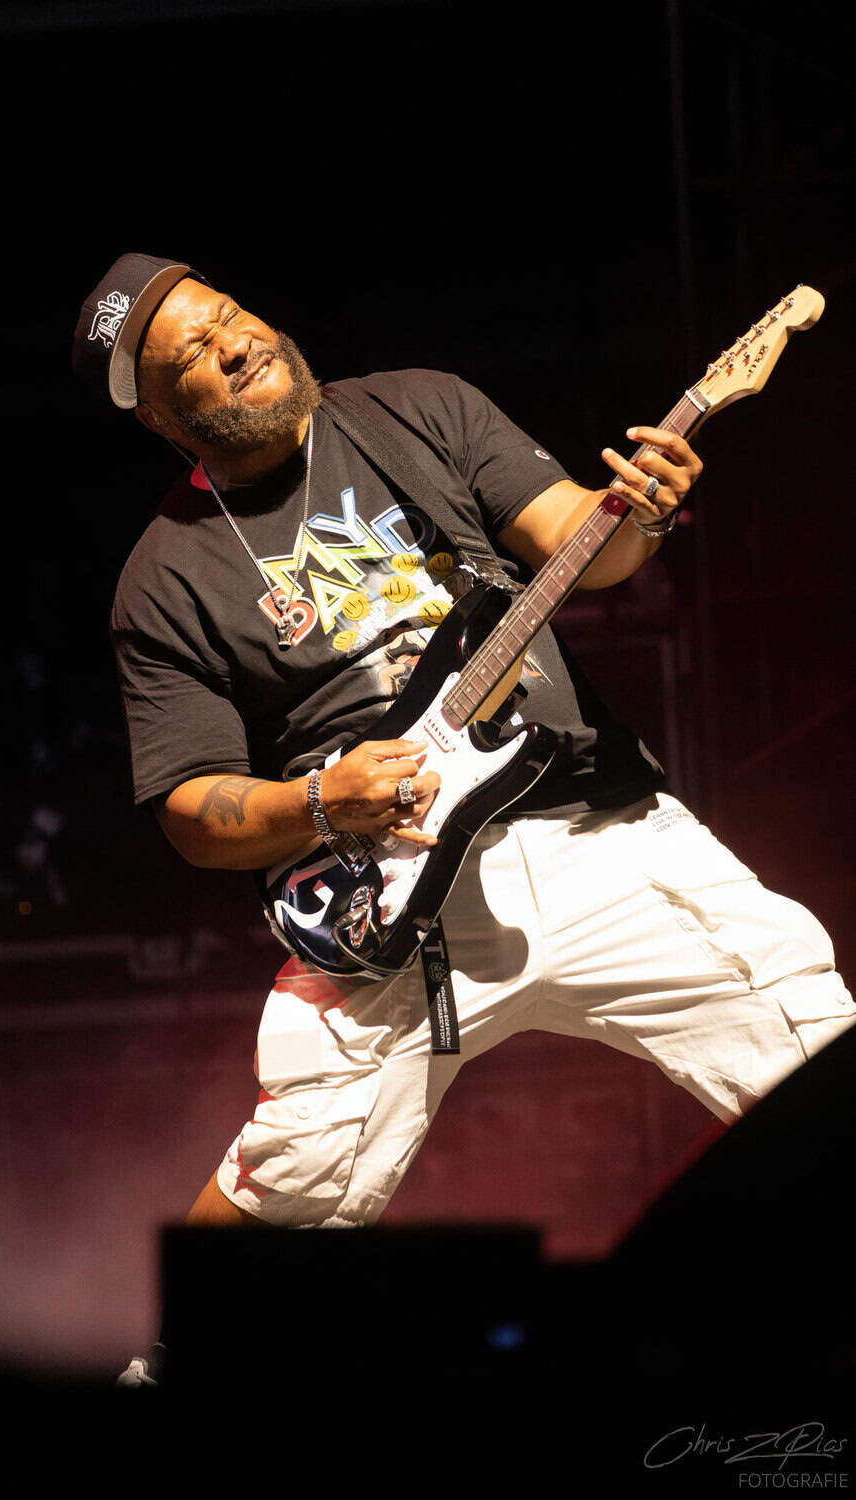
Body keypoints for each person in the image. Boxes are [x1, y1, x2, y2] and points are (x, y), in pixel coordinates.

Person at [72, 253, 855, 1386]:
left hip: (588, 829)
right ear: (157, 414)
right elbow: (194, 812)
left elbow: (588, 545)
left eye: (231, 313)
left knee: (802, 1025)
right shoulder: (163, 580)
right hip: (386, 905)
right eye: (192, 350)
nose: (234, 341)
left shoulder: (416, 408)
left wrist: (644, 511)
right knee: (302, 1168)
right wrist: (319, 799)